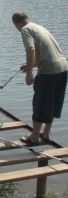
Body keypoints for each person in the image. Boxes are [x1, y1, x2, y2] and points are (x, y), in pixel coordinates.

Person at [12, 11, 68, 145]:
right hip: (63, 67)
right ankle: (47, 133)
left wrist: (29, 73)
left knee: (39, 103)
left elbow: (30, 49)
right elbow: (45, 53)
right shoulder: (40, 27)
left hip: (48, 71)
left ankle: (35, 136)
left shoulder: (25, 30)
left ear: (17, 24)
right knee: (52, 102)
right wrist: (30, 65)